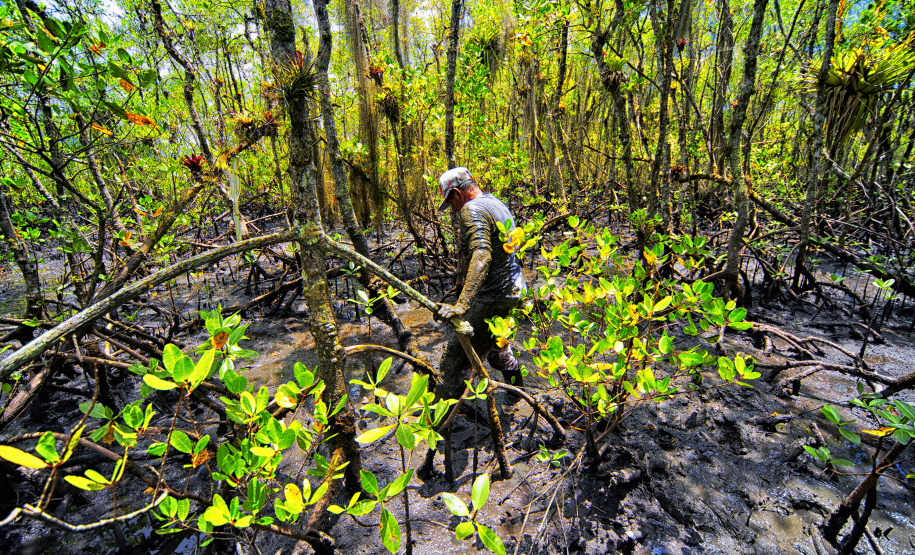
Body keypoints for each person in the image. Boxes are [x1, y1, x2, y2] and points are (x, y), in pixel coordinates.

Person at [434, 167, 526, 402]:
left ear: (457, 193)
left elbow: (482, 256)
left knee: (454, 360)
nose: (453, 209)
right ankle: (519, 397)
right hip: (514, 291)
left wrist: (461, 306)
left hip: (493, 297)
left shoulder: (471, 209)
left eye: (451, 202)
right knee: (498, 351)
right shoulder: (496, 203)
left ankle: (438, 426)